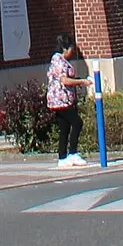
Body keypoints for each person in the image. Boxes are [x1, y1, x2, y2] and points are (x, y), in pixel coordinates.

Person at [46, 35, 90, 163]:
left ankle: (62, 157)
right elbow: (64, 80)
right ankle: (72, 153)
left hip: (62, 100)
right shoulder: (59, 61)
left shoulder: (60, 60)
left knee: (64, 127)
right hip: (60, 100)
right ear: (65, 48)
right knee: (77, 122)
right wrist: (81, 82)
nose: (73, 52)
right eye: (71, 49)